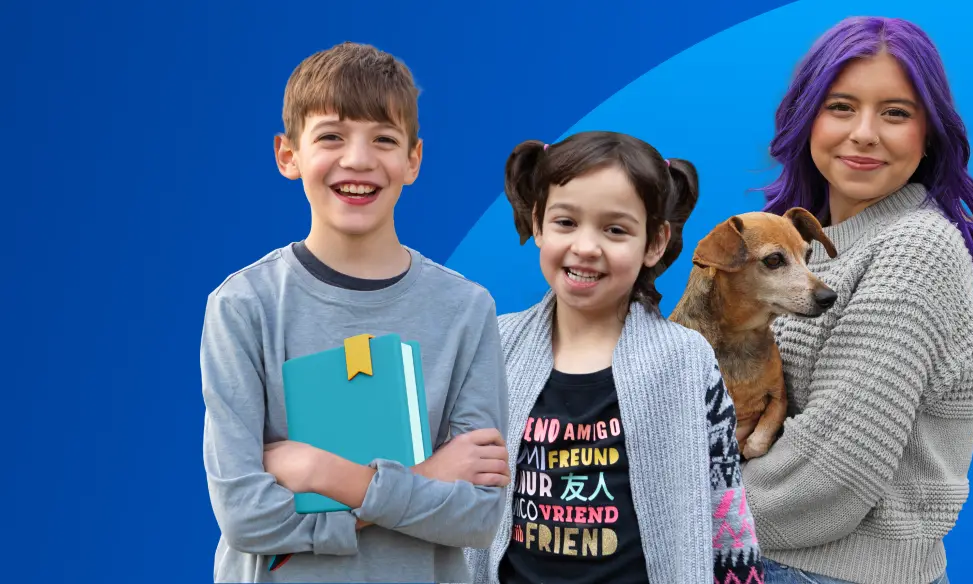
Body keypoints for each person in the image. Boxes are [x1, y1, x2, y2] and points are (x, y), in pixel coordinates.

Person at [199, 41, 510, 583]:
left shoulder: (467, 311)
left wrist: (326, 473)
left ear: (413, 160)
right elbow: (246, 517)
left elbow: (479, 517)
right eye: (331, 137)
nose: (358, 160)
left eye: (384, 140)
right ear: (287, 155)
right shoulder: (242, 308)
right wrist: (425, 477)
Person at [740, 16, 973, 584]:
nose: (864, 133)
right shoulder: (802, 245)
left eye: (896, 113)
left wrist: (676, 511)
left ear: (928, 133)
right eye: (841, 107)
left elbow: (831, 475)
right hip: (764, 559)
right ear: (808, 118)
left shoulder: (915, 248)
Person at [464, 131, 763, 583]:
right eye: (566, 222)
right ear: (539, 222)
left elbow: (725, 503)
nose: (586, 247)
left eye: (615, 229)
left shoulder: (683, 361)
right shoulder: (496, 345)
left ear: (655, 243)